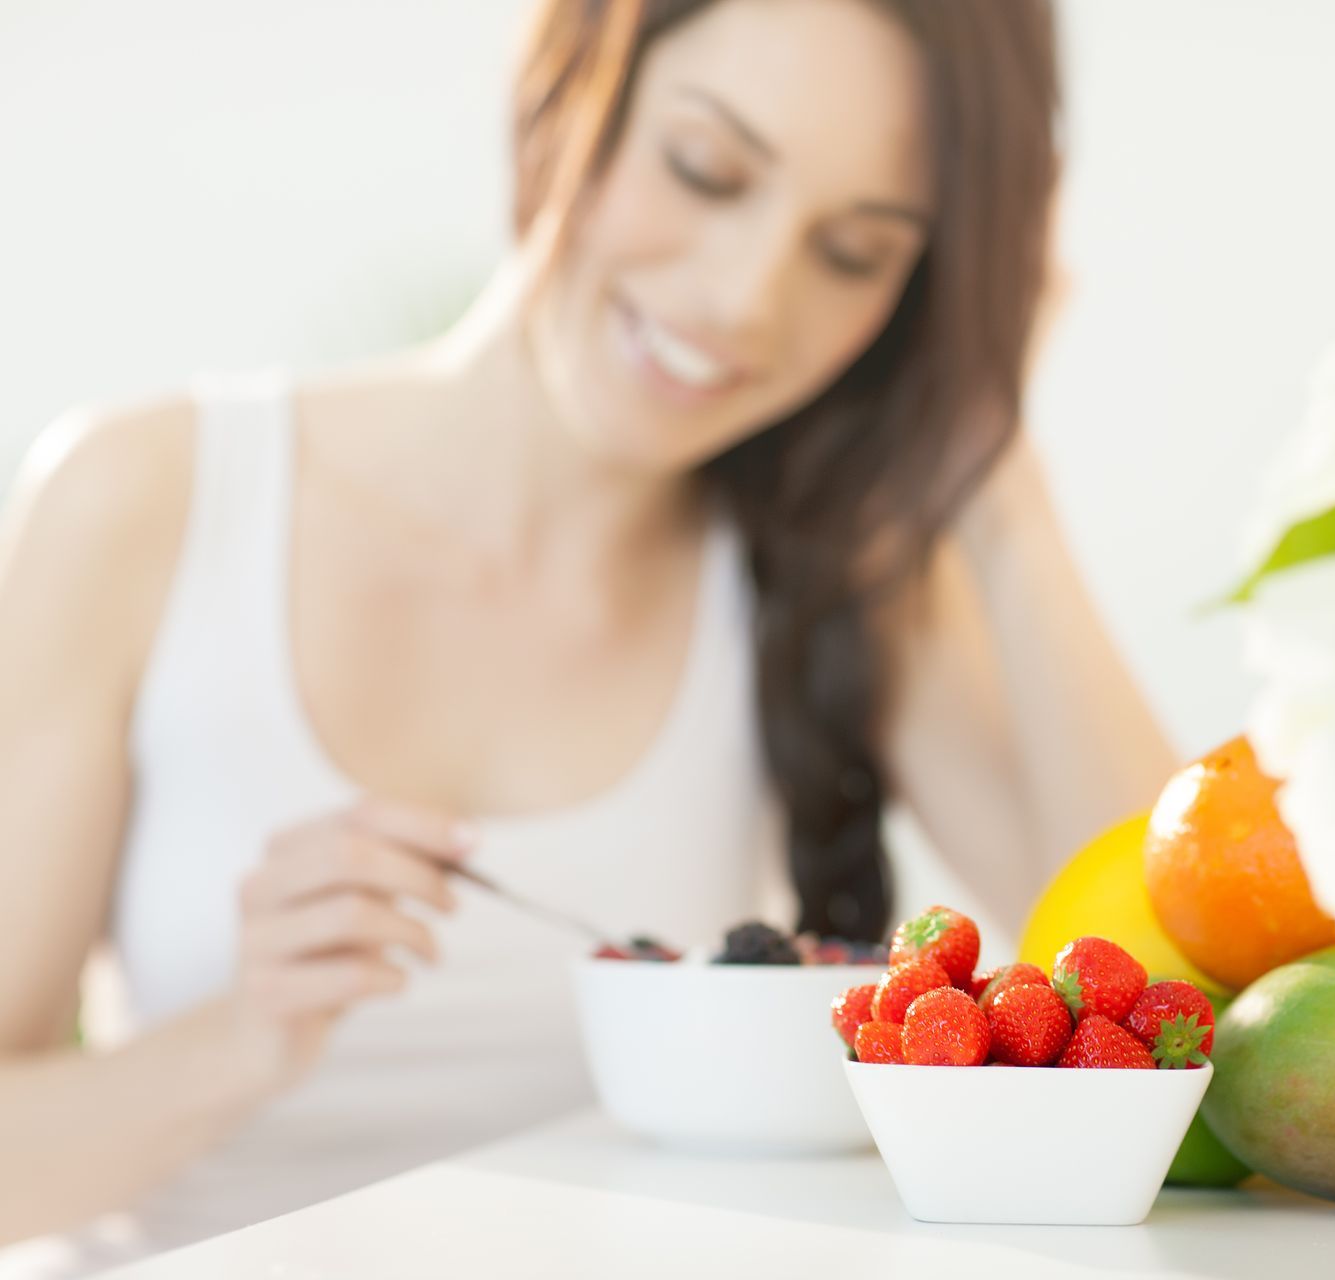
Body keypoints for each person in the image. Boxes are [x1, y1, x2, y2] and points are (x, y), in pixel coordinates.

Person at [0, 0, 1173, 1267]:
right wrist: (236, 1044)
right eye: (704, 168)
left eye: (854, 253)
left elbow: (1172, 977)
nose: (741, 298)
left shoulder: (839, 579)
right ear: (570, 82)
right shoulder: (148, 497)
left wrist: (994, 461)